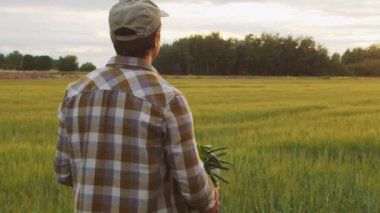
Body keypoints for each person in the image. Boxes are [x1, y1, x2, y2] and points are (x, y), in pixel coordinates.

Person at [54, 0, 220, 212]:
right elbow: (193, 187)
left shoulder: (74, 94)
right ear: (156, 39)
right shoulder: (168, 100)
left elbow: (63, 172)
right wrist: (211, 200)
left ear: (113, 37)